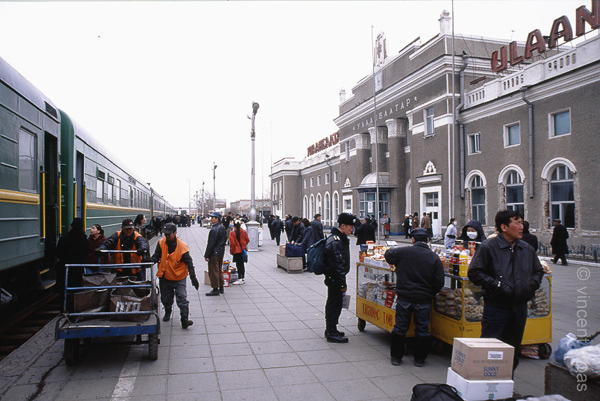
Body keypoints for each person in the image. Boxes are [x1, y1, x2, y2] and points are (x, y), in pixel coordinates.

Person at [468, 210, 544, 372]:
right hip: (496, 307)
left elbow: (538, 271)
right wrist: (497, 285)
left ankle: (506, 383)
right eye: (516, 222)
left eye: (521, 222)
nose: (521, 226)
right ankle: (485, 384)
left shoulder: (526, 249)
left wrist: (530, 286)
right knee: (490, 347)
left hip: (519, 307)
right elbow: (474, 272)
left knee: (513, 349)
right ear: (503, 227)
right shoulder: (489, 247)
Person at [384, 228, 444, 367]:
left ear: (412, 240)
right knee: (422, 329)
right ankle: (419, 359)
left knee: (400, 327)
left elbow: (388, 255)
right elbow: (439, 282)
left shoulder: (402, 252)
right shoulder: (434, 257)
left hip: (404, 296)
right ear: (428, 241)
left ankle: (396, 357)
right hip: (423, 299)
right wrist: (431, 292)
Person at [150, 223, 198, 329]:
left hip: (179, 277)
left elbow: (189, 263)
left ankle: (184, 319)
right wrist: (148, 261)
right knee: (166, 299)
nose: (166, 236)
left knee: (182, 298)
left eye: (169, 234)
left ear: (175, 233)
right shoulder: (161, 243)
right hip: (165, 277)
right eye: (165, 234)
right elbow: (156, 256)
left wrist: (193, 277)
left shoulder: (182, 247)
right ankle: (168, 311)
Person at [323, 213, 357, 343]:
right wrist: (343, 284)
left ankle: (331, 329)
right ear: (343, 226)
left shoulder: (338, 238)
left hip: (333, 278)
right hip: (335, 279)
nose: (352, 230)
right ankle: (331, 332)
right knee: (334, 305)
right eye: (350, 227)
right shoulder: (336, 241)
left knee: (334, 303)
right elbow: (338, 265)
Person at [56, 218, 89, 311]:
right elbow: (85, 254)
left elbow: (59, 252)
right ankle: (75, 310)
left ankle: (64, 310)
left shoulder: (64, 239)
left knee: (64, 291)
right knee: (76, 291)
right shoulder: (84, 240)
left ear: (72, 227)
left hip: (65, 269)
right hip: (78, 269)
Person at [204, 212, 227, 296]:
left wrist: (207, 255)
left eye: (213, 217)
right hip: (220, 251)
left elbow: (211, 243)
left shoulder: (214, 229)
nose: (212, 219)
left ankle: (215, 289)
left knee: (213, 271)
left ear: (217, 219)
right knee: (219, 270)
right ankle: (221, 287)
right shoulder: (222, 227)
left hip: (214, 252)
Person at [230, 220, 250, 285]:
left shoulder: (232, 233)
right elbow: (247, 240)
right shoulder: (244, 232)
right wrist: (244, 245)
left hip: (236, 251)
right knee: (242, 264)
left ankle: (240, 278)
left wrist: (231, 251)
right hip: (242, 250)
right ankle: (242, 277)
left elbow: (232, 243)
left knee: (238, 265)